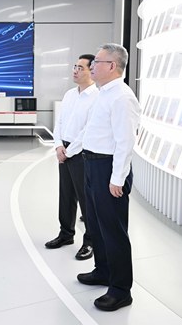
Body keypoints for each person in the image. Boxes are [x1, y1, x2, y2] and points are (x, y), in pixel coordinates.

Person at [75, 43, 140, 312]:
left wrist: (117, 179)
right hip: (92, 165)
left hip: (109, 169)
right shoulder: (104, 93)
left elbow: (125, 142)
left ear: (112, 66)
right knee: (96, 224)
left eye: (97, 62)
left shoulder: (122, 97)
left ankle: (121, 290)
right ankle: (103, 271)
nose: (92, 66)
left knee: (113, 231)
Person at [45, 54, 98, 261]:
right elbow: (59, 123)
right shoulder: (69, 94)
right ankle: (66, 234)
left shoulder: (97, 96)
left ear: (92, 70)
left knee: (86, 199)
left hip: (81, 154)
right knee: (66, 195)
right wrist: (58, 146)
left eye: (80, 67)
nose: (75, 70)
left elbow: (88, 130)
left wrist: (69, 151)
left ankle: (90, 241)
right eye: (75, 66)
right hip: (64, 151)